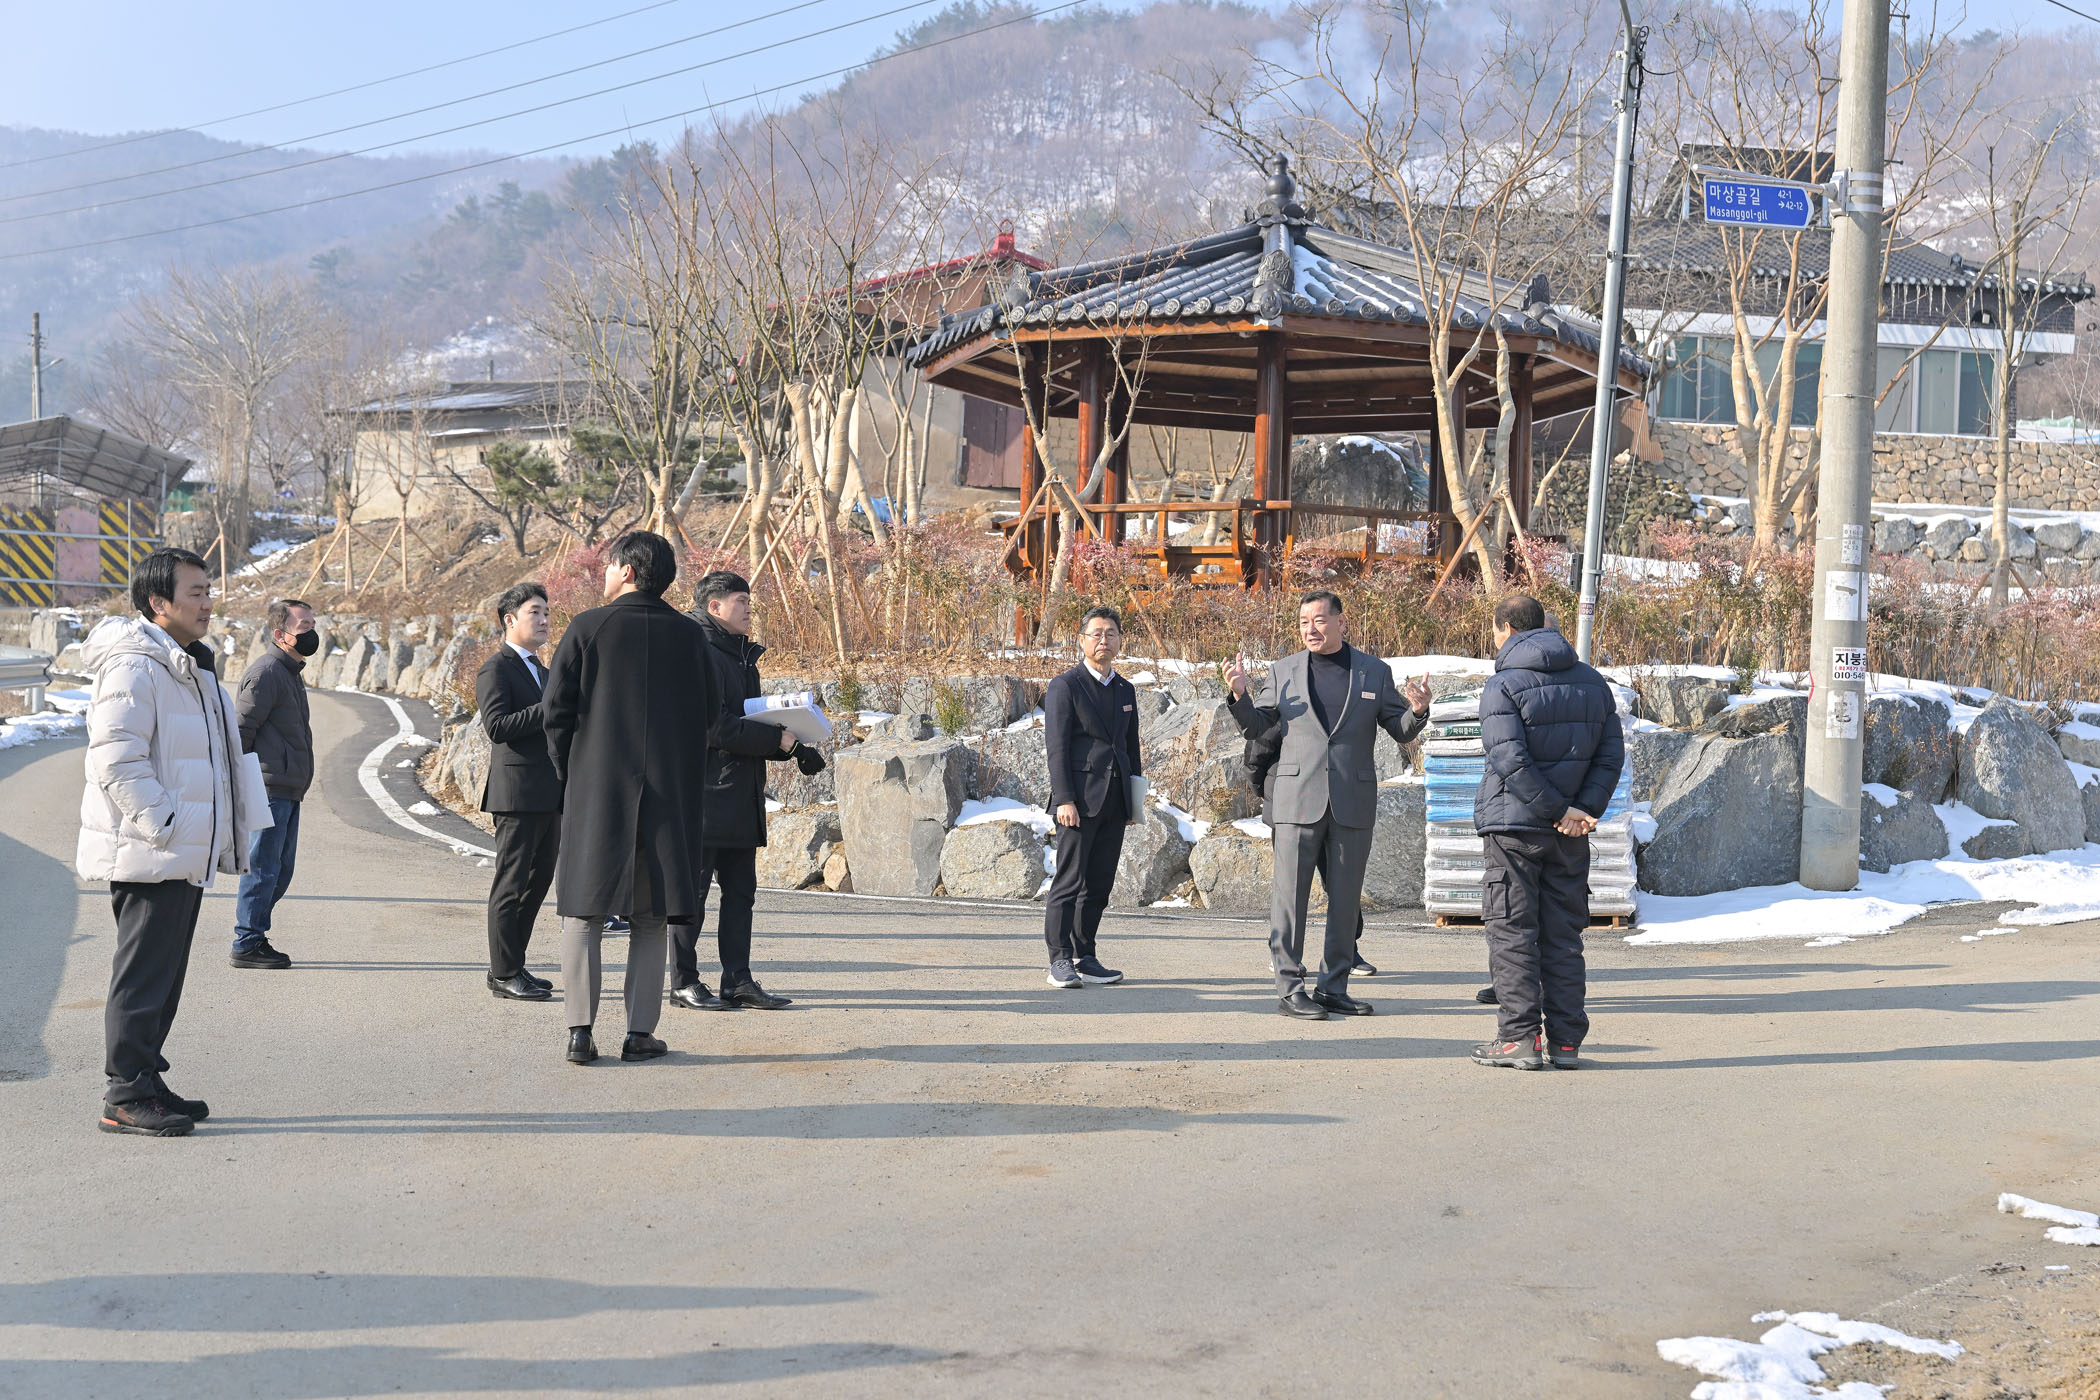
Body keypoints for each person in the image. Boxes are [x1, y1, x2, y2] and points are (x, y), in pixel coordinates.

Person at [77, 548, 269, 1136]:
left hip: (181, 850)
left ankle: (146, 1079)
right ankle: (125, 1093)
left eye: (209, 591)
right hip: (152, 847)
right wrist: (163, 824)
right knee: (142, 975)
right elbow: (116, 758)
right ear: (158, 603)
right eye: (196, 593)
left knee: (164, 975)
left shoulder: (188, 664)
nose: (208, 602)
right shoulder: (135, 666)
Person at [541, 531, 719, 1065]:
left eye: (609, 564)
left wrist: (572, 771)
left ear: (626, 570)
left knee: (584, 913)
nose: (604, 572)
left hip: (597, 791)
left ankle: (580, 1033)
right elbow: (711, 714)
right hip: (669, 795)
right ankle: (640, 1034)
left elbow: (555, 712)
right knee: (650, 917)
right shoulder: (690, 636)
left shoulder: (587, 627)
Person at [1226, 591, 1430, 1020]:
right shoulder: (1283, 671)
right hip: (1296, 800)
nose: (1310, 629)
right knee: (1290, 899)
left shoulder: (1374, 671)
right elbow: (1259, 728)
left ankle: (1333, 987)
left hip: (1351, 800)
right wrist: (1241, 695)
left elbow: (1400, 729)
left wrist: (1418, 710)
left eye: (1319, 620)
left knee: (1345, 901)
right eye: (1304, 622)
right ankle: (1289, 987)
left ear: (1341, 622)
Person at [1469, 593, 1624, 1071]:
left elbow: (1508, 758)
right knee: (1563, 936)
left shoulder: (1503, 684)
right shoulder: (1593, 681)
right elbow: (1610, 756)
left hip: (1514, 828)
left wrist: (1557, 809)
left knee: (1513, 932)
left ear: (1507, 630)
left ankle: (1518, 1039)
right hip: (1570, 834)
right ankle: (1566, 1042)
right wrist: (1580, 811)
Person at [667, 569, 816, 1012]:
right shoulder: (696, 649)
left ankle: (738, 980)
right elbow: (712, 726)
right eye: (741, 601)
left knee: (740, 894)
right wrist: (776, 741)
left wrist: (792, 746)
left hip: (739, 792)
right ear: (714, 606)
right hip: (702, 794)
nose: (750, 609)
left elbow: (746, 719)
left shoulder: (739, 654)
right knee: (692, 896)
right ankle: (683, 981)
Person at [1040, 606, 1143, 989]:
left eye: (1111, 633)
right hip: (1079, 802)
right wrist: (1064, 799)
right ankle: (1059, 959)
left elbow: (1130, 749)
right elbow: (1057, 748)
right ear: (1081, 640)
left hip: (1115, 802)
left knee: (1099, 884)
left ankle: (1085, 955)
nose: (1104, 640)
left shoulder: (1125, 689)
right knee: (1069, 881)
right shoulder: (1065, 686)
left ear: (1120, 640)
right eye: (1096, 634)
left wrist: (1132, 801)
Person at [1236, 703, 1374, 977]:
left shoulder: (1342, 698)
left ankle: (1347, 950)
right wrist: (1267, 790)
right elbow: (1258, 748)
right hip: (1291, 804)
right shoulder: (1289, 695)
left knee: (1343, 882)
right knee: (1290, 886)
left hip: (1336, 802)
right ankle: (1282, 954)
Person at [476, 582, 562, 1002]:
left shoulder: (544, 672)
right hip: (516, 794)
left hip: (549, 793)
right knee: (510, 885)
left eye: (546, 612)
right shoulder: (496, 668)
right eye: (535, 612)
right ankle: (503, 972)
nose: (544, 620)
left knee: (538, 882)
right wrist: (550, 707)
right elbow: (497, 727)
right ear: (510, 619)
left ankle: (513, 964)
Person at [229, 597, 316, 970]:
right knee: (264, 867)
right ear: (281, 635)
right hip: (268, 788)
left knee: (280, 870)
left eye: (313, 625)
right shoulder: (266, 673)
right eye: (304, 627)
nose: (312, 634)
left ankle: (253, 933)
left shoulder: (290, 672)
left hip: (287, 788)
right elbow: (239, 732)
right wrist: (242, 785)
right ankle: (248, 941)